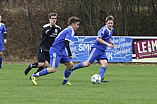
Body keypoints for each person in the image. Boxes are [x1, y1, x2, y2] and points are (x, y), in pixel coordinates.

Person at [30, 16, 81, 85]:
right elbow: (66, 42)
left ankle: (65, 81)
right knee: (53, 69)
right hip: (55, 51)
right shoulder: (70, 30)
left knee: (70, 65)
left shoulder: (68, 30)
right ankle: (34, 76)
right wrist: (69, 53)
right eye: (77, 24)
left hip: (61, 51)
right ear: (72, 24)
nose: (78, 26)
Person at [71, 15, 115, 83]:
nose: (110, 24)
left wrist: (111, 43)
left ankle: (99, 79)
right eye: (109, 23)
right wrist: (108, 44)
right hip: (96, 49)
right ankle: (71, 69)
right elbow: (98, 38)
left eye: (111, 23)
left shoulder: (111, 30)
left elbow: (108, 38)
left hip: (102, 50)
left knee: (105, 64)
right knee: (87, 64)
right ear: (106, 23)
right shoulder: (103, 29)